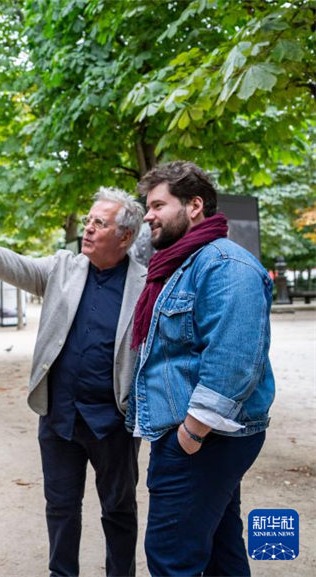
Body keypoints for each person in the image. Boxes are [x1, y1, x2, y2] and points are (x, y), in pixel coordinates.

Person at [0, 187, 146, 577]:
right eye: (88, 220)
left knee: (119, 510)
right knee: (61, 507)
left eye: (100, 223)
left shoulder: (146, 283)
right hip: (59, 417)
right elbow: (18, 266)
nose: (89, 229)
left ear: (126, 236)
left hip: (114, 422)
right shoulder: (64, 267)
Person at [127, 161, 274, 576]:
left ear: (194, 205)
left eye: (158, 204)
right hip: (197, 438)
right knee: (220, 554)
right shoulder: (178, 265)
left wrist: (190, 434)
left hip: (204, 440)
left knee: (172, 558)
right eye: (147, 205)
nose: (149, 215)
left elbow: (235, 361)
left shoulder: (226, 264)